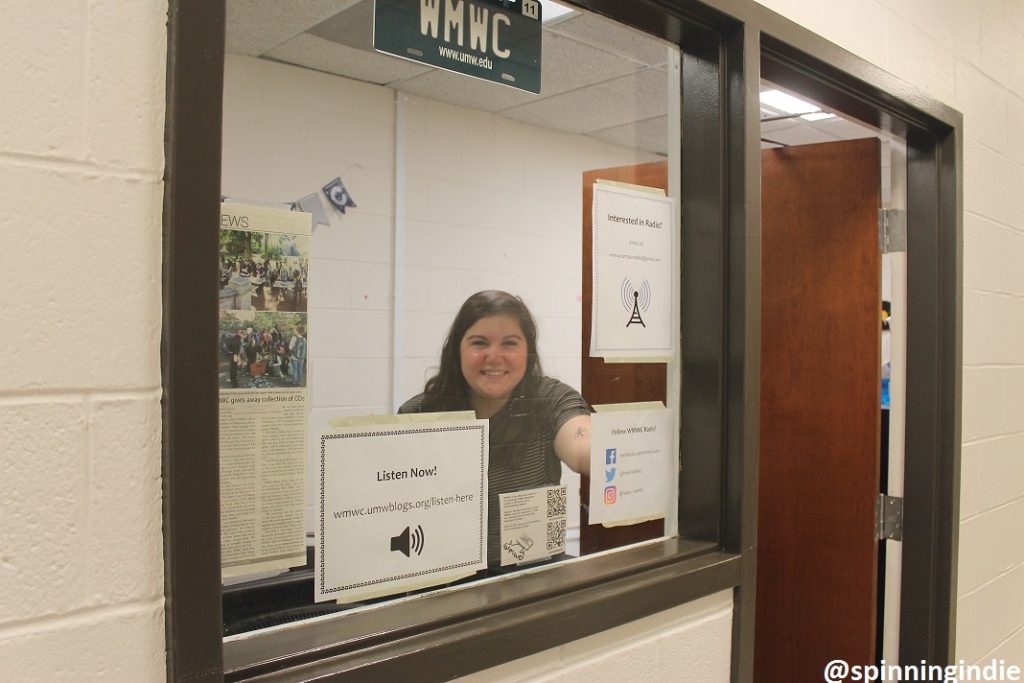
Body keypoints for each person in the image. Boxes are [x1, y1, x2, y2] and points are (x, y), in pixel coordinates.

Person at [399, 290, 591, 566]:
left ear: (528, 351)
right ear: (457, 351)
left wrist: (614, 456)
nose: (494, 356)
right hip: (447, 584)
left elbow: (582, 445)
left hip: (535, 581)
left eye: (509, 343)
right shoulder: (419, 414)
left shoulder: (550, 400)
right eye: (479, 343)